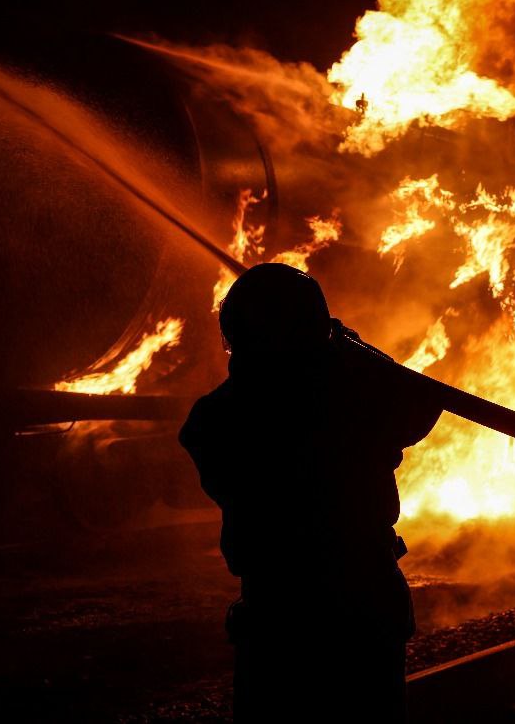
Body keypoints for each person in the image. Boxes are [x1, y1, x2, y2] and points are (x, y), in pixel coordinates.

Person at [179, 263, 442, 722]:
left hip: (276, 615)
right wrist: (350, 344)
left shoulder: (214, 419)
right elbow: (420, 400)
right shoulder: (352, 402)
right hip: (363, 604)